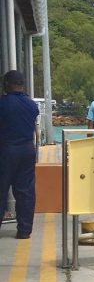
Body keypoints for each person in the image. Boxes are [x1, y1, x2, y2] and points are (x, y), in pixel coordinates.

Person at [0, 70, 38, 239]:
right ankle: (24, 230)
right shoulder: (31, 105)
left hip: (6, 151)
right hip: (27, 150)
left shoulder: (3, 104)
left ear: (7, 84)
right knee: (25, 191)